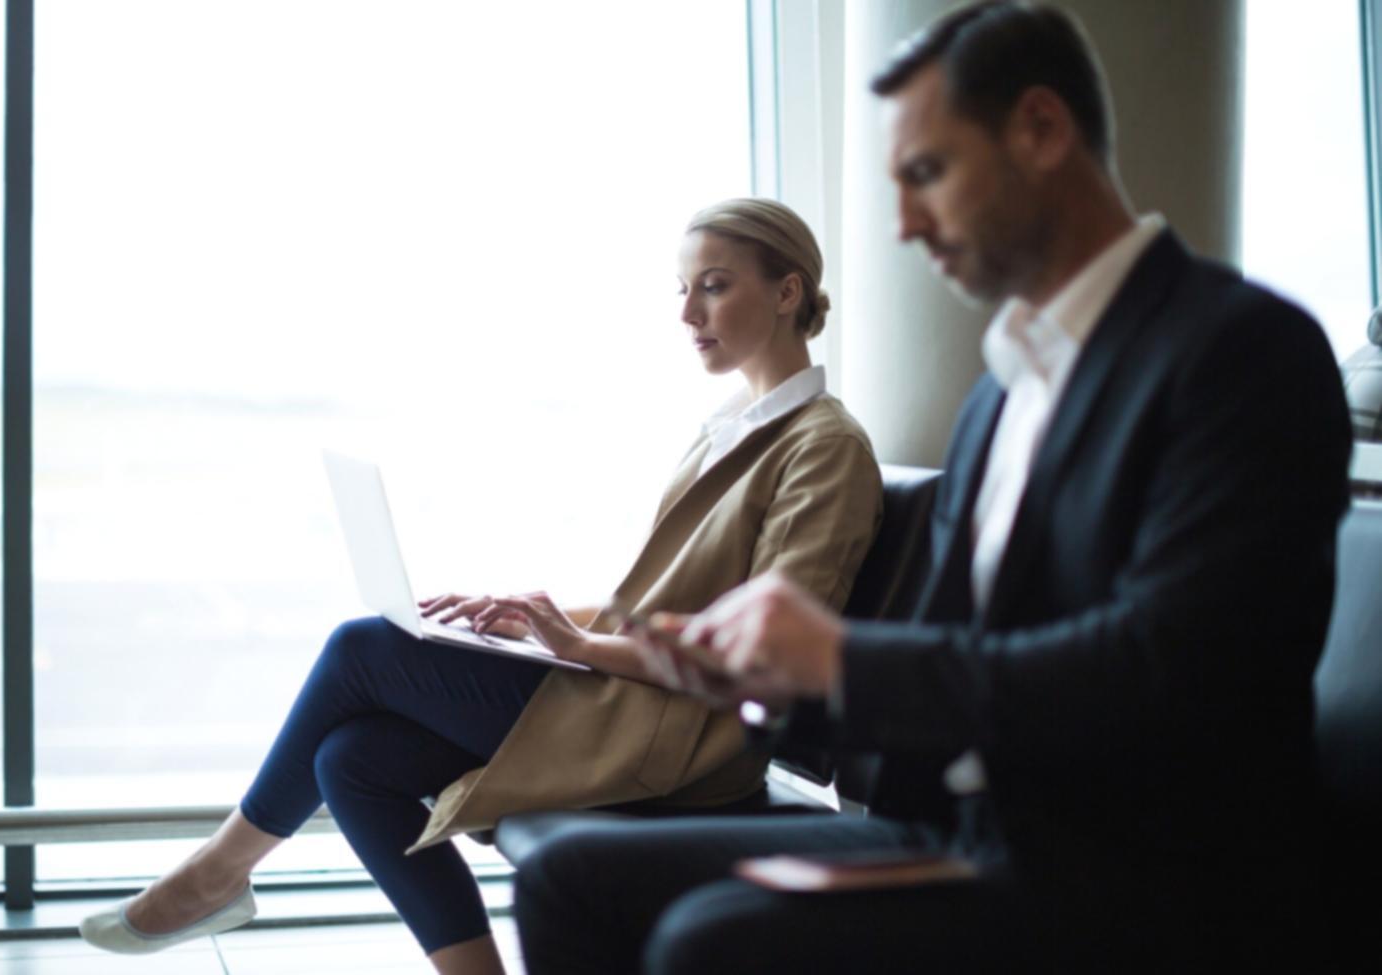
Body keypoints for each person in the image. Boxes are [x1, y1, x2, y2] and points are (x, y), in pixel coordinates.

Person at [511, 3, 1353, 972]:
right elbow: (952, 650)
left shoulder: (1239, 351)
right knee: (565, 876)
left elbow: (1168, 663)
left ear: (1040, 129)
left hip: (1148, 871)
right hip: (969, 837)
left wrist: (840, 661)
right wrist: (759, 678)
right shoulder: (1000, 390)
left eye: (925, 174)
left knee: (712, 942)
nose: (904, 225)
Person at [79, 197, 882, 975]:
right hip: (637, 698)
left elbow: (768, 652)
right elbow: (667, 603)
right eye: (682, 289)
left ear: (785, 292)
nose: (686, 313)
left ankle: (218, 873)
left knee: (361, 647)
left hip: (688, 736)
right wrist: (533, 620)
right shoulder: (729, 428)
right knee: (353, 757)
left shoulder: (823, 447)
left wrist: (581, 645)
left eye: (713, 285)